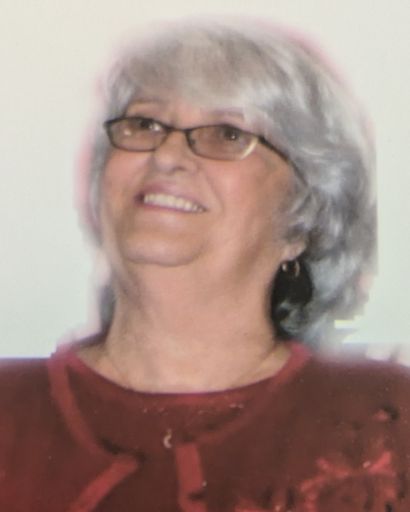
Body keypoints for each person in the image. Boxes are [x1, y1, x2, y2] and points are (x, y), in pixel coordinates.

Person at [1, 18, 409, 512]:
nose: (167, 154)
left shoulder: (383, 427)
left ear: (302, 219)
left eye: (227, 134)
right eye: (144, 125)